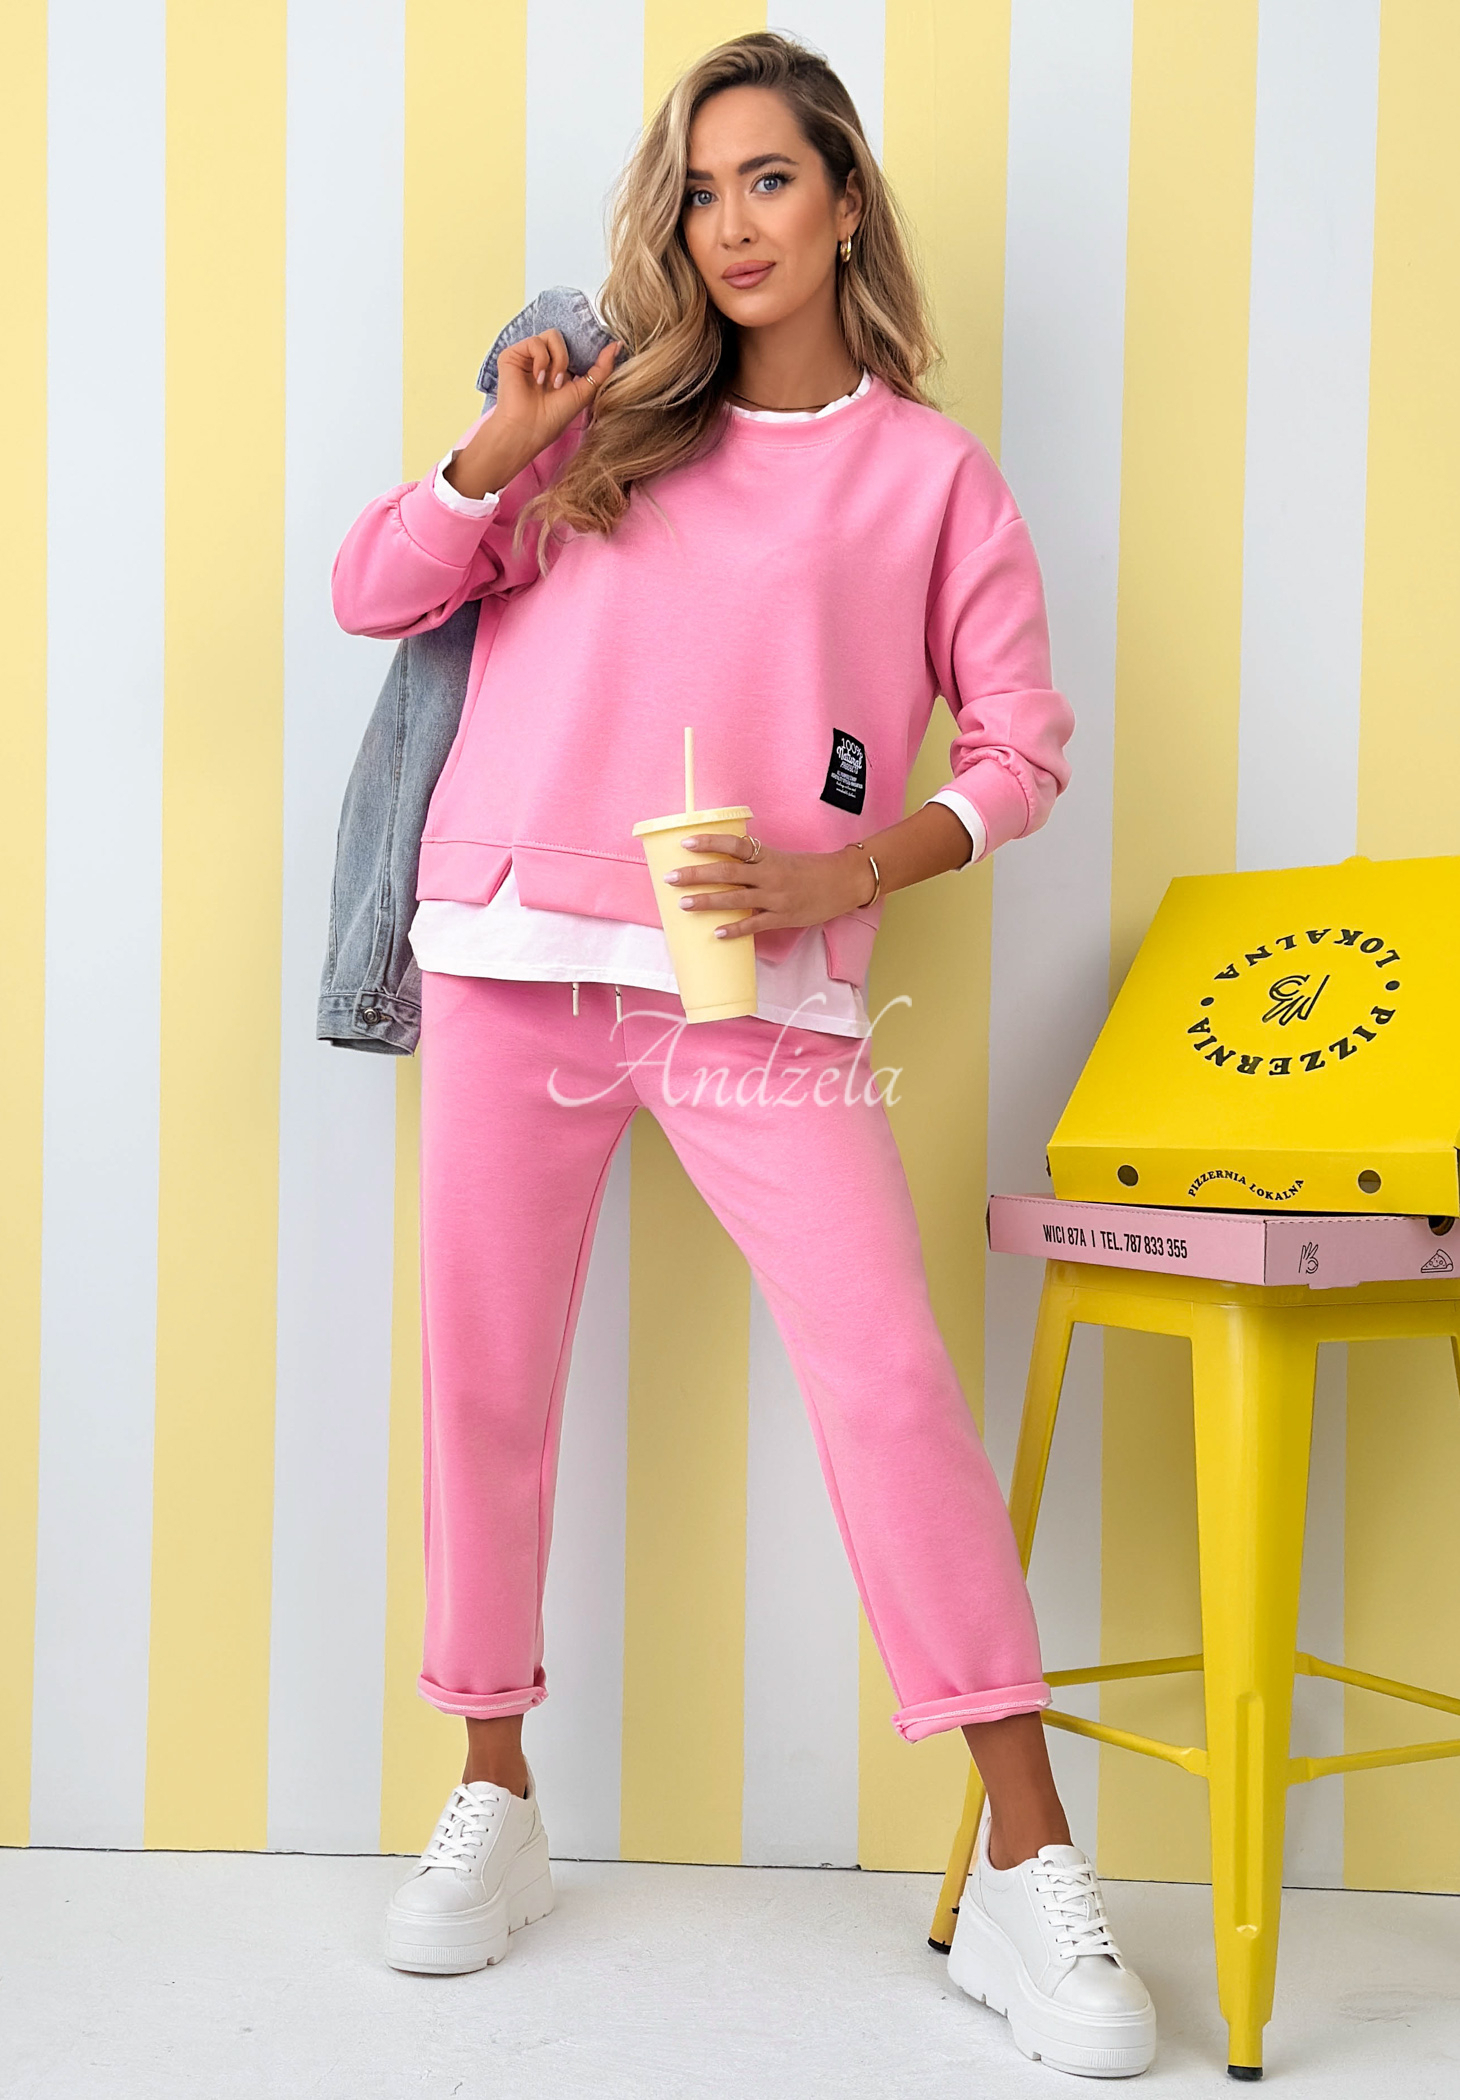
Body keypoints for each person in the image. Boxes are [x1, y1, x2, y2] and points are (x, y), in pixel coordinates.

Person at [332, 30, 1155, 2080]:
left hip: (748, 986)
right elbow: (373, 590)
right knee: (483, 1380)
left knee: (888, 1382)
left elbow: (1018, 752)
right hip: (511, 942)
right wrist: (494, 452)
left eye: (769, 179)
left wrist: (844, 873)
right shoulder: (597, 417)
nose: (732, 224)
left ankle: (1030, 1859)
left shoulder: (930, 478)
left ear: (846, 201)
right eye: (700, 191)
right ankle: (495, 1794)